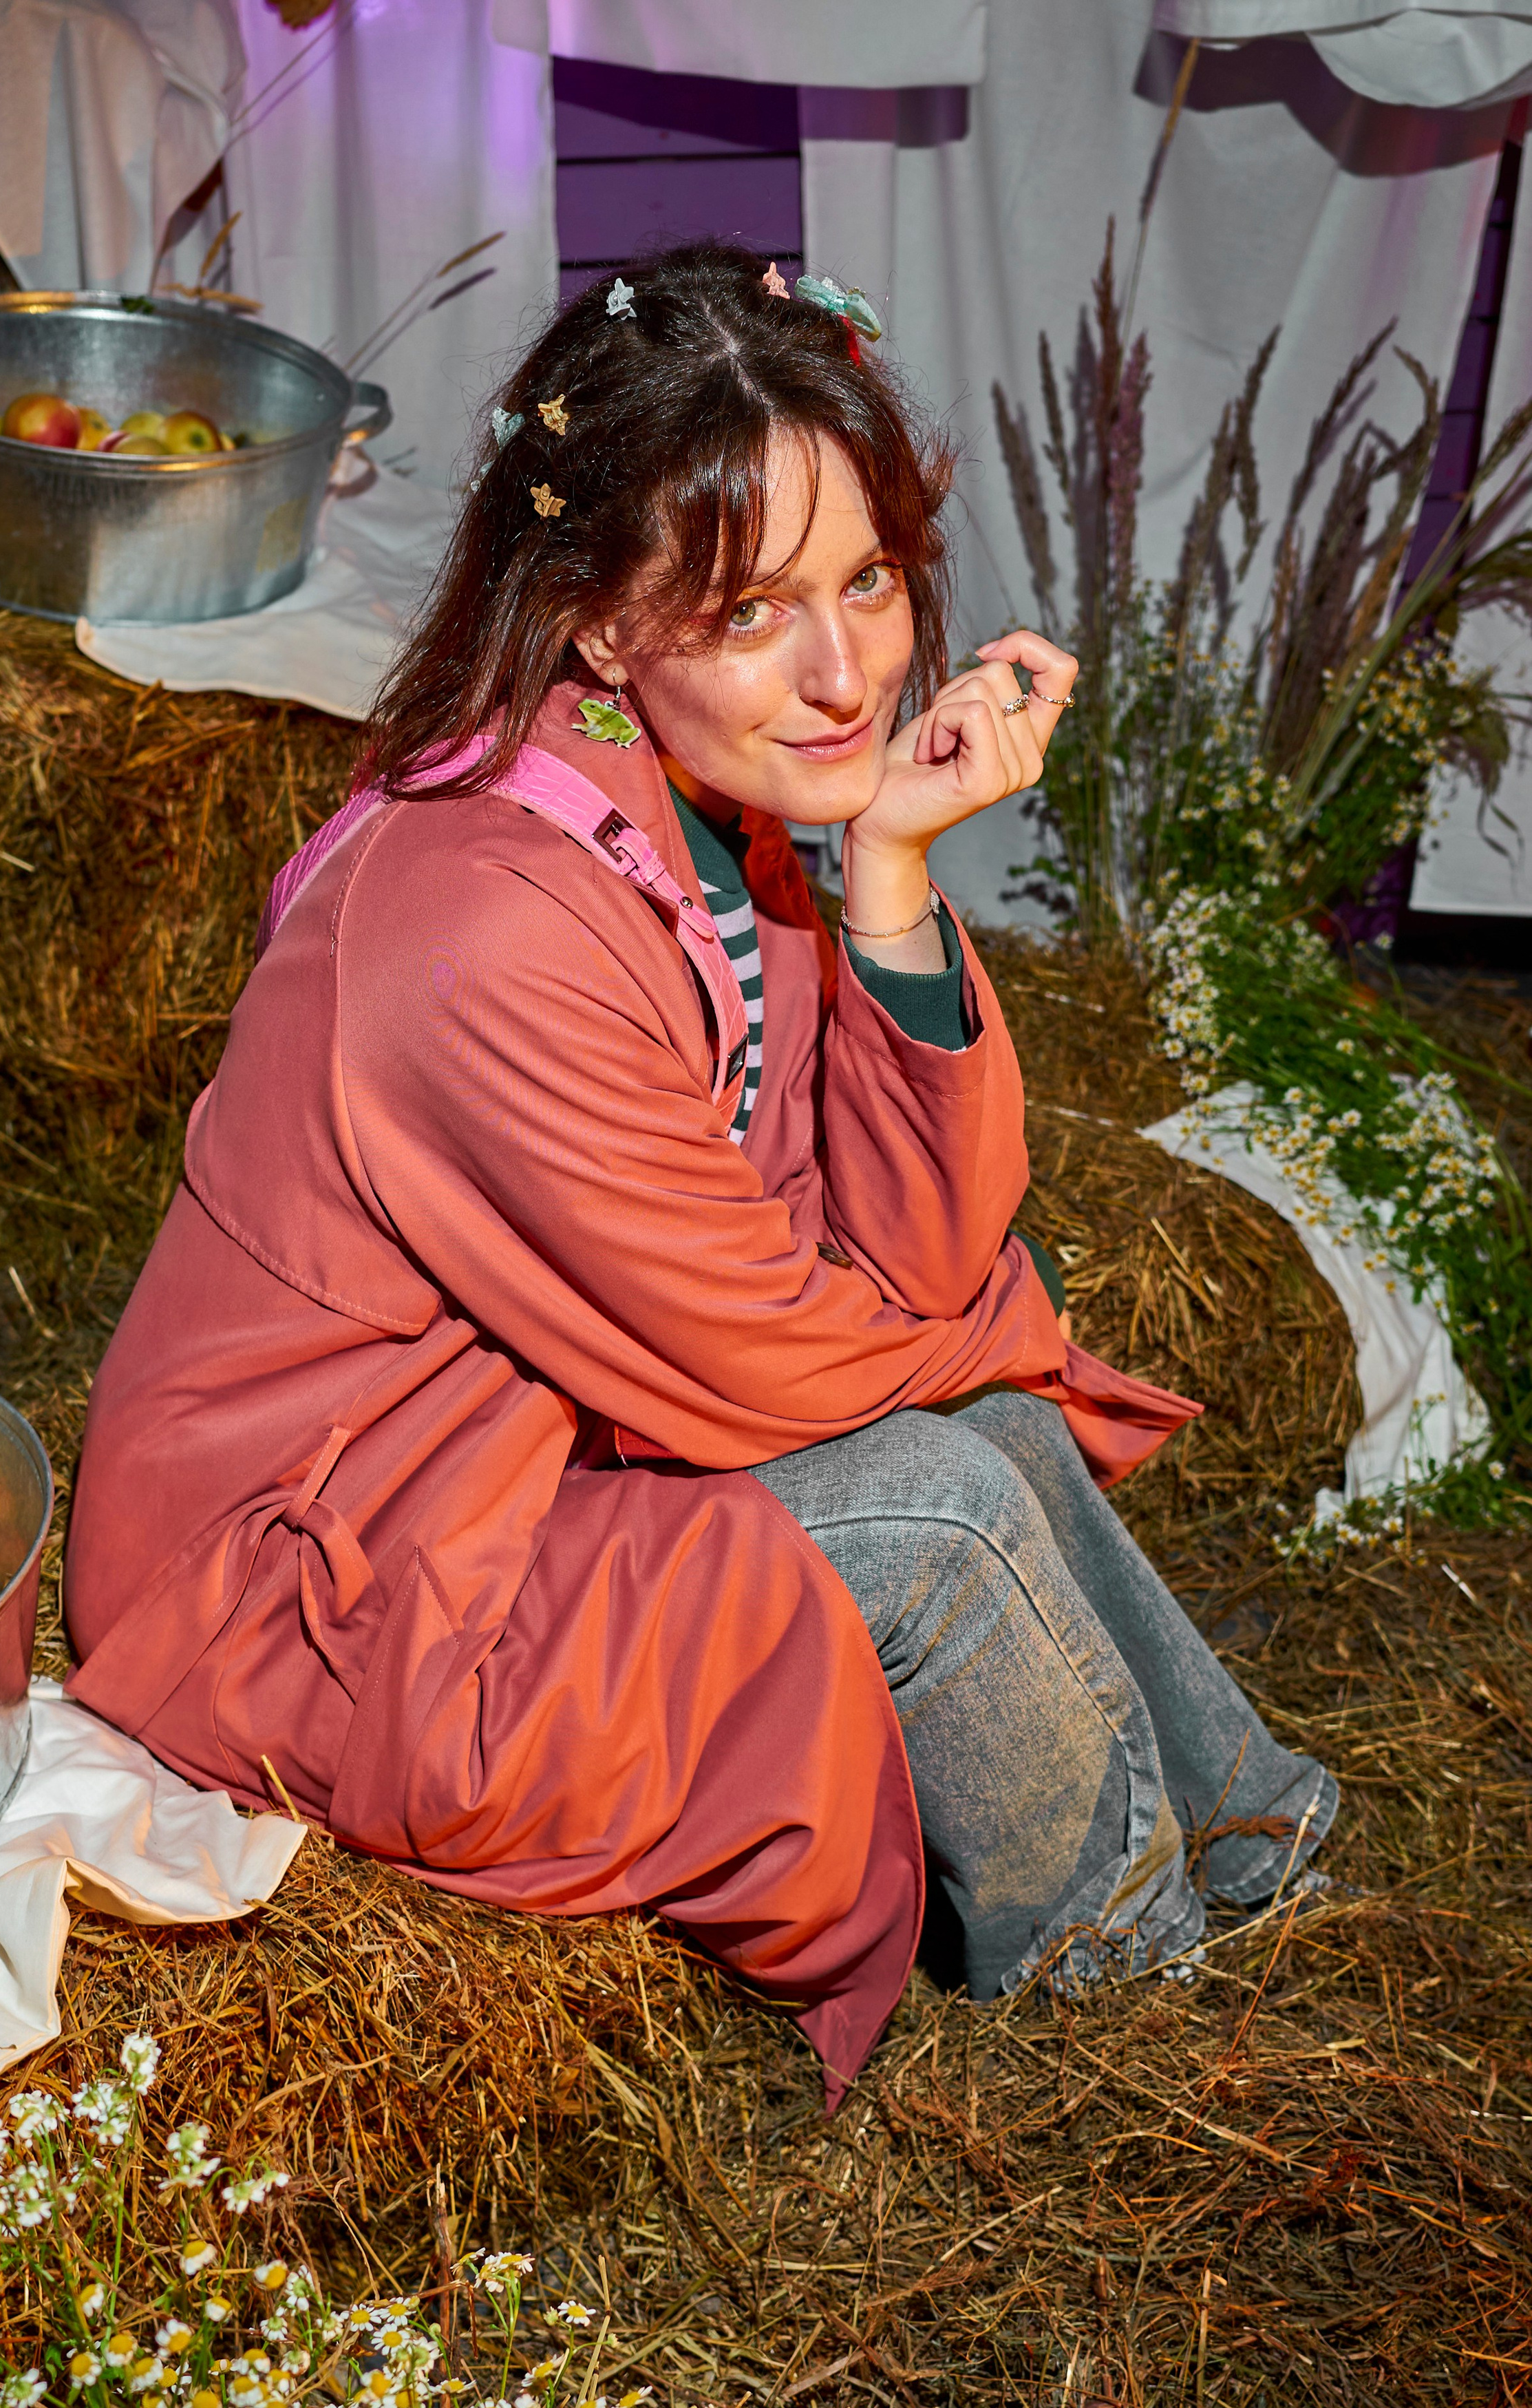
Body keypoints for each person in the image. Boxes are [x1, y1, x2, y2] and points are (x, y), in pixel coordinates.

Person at [65, 242, 1336, 2100]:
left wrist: (893, 874)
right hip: (324, 1578)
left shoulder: (720, 824)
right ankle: (1126, 2030)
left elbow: (898, 1251)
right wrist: (993, 1329)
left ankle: (1261, 1862)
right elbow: (762, 1361)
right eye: (754, 613)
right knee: (943, 1505)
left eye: (871, 582)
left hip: (513, 1473)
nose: (847, 676)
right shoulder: (475, 933)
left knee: (997, 1436)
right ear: (593, 619)